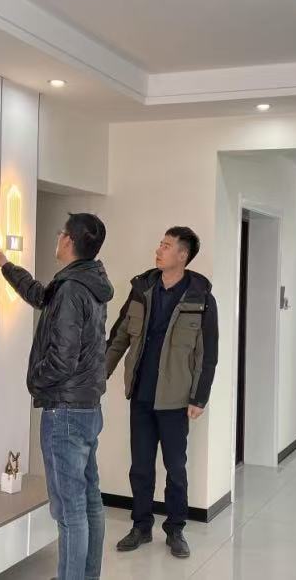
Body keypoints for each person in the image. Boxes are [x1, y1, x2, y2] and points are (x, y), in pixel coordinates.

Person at [0, 213, 113, 580]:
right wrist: (7, 266)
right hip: (87, 407)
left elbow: (63, 358)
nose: (57, 237)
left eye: (61, 233)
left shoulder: (72, 288)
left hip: (65, 412)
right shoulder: (86, 281)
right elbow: (41, 296)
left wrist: (35, 381)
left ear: (69, 240)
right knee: (89, 501)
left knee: (70, 511)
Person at [106, 226, 219, 559]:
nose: (159, 250)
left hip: (175, 399)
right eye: (160, 244)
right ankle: (141, 527)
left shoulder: (201, 298)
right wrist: (98, 376)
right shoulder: (142, 289)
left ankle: (176, 530)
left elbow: (207, 353)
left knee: (176, 469)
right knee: (140, 467)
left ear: (183, 255)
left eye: (166, 246)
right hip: (142, 394)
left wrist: (199, 397)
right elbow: (119, 337)